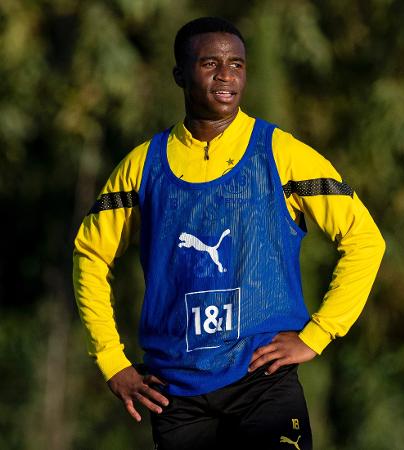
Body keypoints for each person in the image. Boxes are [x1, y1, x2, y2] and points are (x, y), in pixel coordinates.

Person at [73, 17, 385, 450]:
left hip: (263, 382)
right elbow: (89, 254)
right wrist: (111, 359)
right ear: (180, 75)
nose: (226, 75)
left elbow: (365, 239)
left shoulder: (282, 153)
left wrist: (319, 333)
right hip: (175, 392)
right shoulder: (141, 166)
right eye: (209, 63)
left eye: (237, 64)